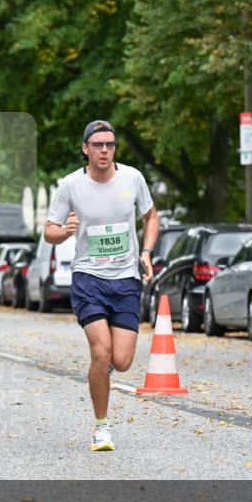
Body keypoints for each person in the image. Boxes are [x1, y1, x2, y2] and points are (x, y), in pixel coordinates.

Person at [45, 120, 159, 452]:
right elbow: (48, 231)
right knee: (101, 351)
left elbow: (151, 216)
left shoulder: (133, 178)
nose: (104, 150)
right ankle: (101, 428)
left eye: (109, 145)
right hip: (88, 278)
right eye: (97, 145)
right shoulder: (70, 185)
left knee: (120, 360)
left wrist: (147, 253)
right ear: (86, 148)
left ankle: (102, 368)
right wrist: (65, 230)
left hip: (125, 280)